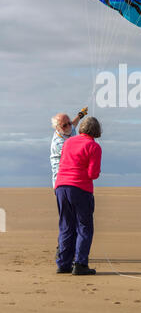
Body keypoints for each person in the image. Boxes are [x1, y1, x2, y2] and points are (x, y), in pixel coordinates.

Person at [54, 116, 102, 275]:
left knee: (66, 226)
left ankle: (63, 264)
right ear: (96, 131)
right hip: (80, 188)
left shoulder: (68, 142)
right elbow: (93, 173)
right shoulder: (93, 146)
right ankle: (80, 264)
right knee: (84, 227)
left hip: (61, 187)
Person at [50, 108, 88, 188]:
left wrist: (80, 115)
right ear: (57, 128)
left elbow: (74, 124)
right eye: (64, 125)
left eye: (69, 123)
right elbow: (73, 156)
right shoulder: (58, 142)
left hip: (73, 178)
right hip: (61, 181)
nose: (69, 126)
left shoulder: (68, 129)